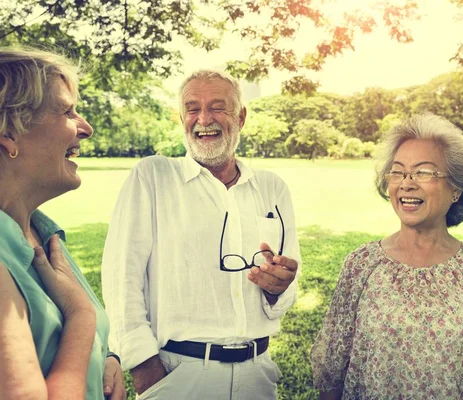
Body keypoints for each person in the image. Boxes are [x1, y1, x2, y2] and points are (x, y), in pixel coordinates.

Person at [101, 69, 301, 399]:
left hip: (257, 374)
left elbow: (288, 288)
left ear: (241, 117)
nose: (203, 119)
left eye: (217, 107)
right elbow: (121, 277)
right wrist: (144, 367)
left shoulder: (272, 188)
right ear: (182, 117)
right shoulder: (153, 177)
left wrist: (278, 289)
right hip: (177, 373)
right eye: (192, 108)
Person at [311, 114, 463, 399]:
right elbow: (331, 374)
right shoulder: (361, 265)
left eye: (424, 172)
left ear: (456, 188)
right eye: (398, 172)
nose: (407, 183)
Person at [0, 47, 125, 399]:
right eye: (67, 111)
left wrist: (104, 357)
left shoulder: (42, 233)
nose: (86, 127)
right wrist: (82, 318)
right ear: (8, 132)